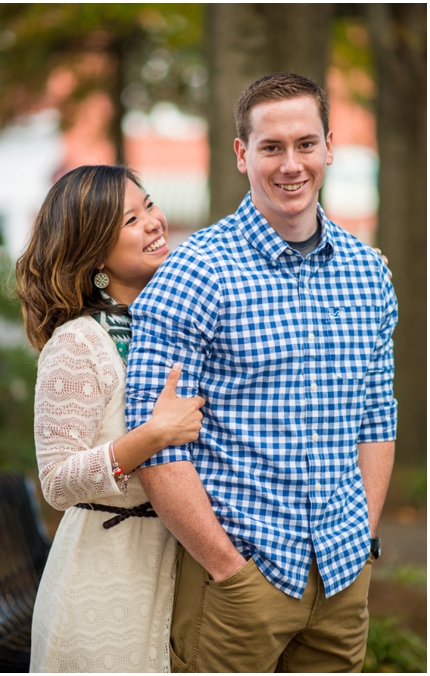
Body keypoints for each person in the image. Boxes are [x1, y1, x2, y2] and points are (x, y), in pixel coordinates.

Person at [126, 73, 397, 672]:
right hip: (240, 583)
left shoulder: (368, 272)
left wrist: (363, 540)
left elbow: (377, 420)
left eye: (305, 144)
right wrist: (228, 569)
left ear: (330, 146)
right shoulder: (195, 272)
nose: (290, 164)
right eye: (271, 148)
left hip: (344, 576)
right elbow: (155, 444)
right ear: (242, 154)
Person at [13, 165, 205, 672]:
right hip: (102, 577)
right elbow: (56, 482)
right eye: (130, 219)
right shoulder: (78, 343)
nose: (154, 222)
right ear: (96, 252)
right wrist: (154, 435)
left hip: (181, 565)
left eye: (150, 204)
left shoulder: (172, 329)